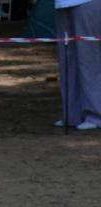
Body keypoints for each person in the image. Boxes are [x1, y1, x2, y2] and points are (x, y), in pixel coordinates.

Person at [52, 0, 101, 130]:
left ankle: (96, 115)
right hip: (62, 4)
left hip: (87, 2)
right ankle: (72, 115)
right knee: (67, 59)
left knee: (89, 58)